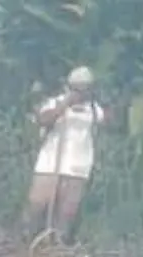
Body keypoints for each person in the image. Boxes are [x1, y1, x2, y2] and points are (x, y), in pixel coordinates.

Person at [24, 66, 108, 243]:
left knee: (67, 211)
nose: (80, 93)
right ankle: (28, 239)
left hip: (78, 167)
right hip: (50, 163)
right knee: (37, 203)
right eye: (76, 88)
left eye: (84, 89)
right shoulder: (55, 103)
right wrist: (65, 105)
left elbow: (108, 123)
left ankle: (59, 245)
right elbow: (43, 120)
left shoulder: (94, 109)